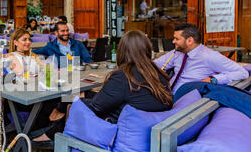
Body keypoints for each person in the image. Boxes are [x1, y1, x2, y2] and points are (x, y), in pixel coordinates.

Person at [33, 30, 174, 145]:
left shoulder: (123, 76)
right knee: (83, 96)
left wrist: (78, 100)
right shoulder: (158, 73)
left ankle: (60, 139)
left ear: (122, 51)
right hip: (145, 128)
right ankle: (53, 128)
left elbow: (96, 107)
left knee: (75, 103)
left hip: (116, 131)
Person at [154, 23, 248, 94]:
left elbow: (242, 73)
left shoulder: (210, 57)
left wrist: (214, 79)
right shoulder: (178, 52)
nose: (173, 41)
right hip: (169, 95)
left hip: (189, 101)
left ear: (190, 40)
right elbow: (155, 64)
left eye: (177, 39)